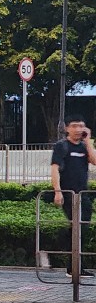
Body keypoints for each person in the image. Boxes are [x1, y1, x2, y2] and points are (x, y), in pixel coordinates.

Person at [51, 114, 96, 278]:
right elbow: (55, 168)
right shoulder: (62, 146)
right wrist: (58, 191)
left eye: (81, 126)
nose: (78, 129)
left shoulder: (84, 147)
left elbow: (94, 160)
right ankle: (73, 268)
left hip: (83, 193)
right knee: (76, 227)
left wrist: (88, 141)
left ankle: (73, 263)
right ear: (67, 128)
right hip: (69, 194)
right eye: (75, 126)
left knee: (82, 227)